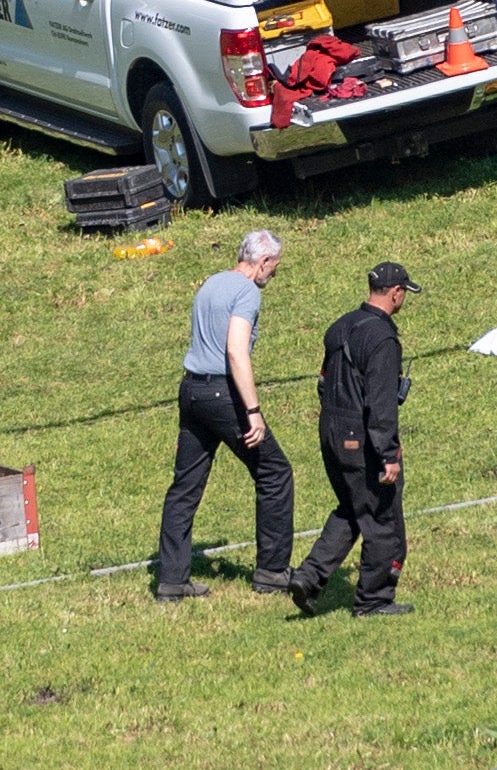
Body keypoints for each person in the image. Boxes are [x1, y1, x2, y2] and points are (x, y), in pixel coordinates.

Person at [154, 229, 297, 600]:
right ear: (263, 262)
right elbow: (236, 351)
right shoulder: (246, 292)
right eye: (274, 268)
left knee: (184, 487)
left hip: (191, 391)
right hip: (222, 393)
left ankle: (171, 579)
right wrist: (253, 411)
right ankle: (272, 571)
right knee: (274, 471)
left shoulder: (212, 283)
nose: (273, 276)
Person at [293, 262, 416, 619]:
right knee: (382, 517)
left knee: (352, 506)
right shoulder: (382, 339)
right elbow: (380, 404)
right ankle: (373, 600)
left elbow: (323, 383)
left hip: (331, 431)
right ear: (395, 293)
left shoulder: (340, 327)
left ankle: (309, 577)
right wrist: (388, 453)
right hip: (361, 437)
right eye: (404, 292)